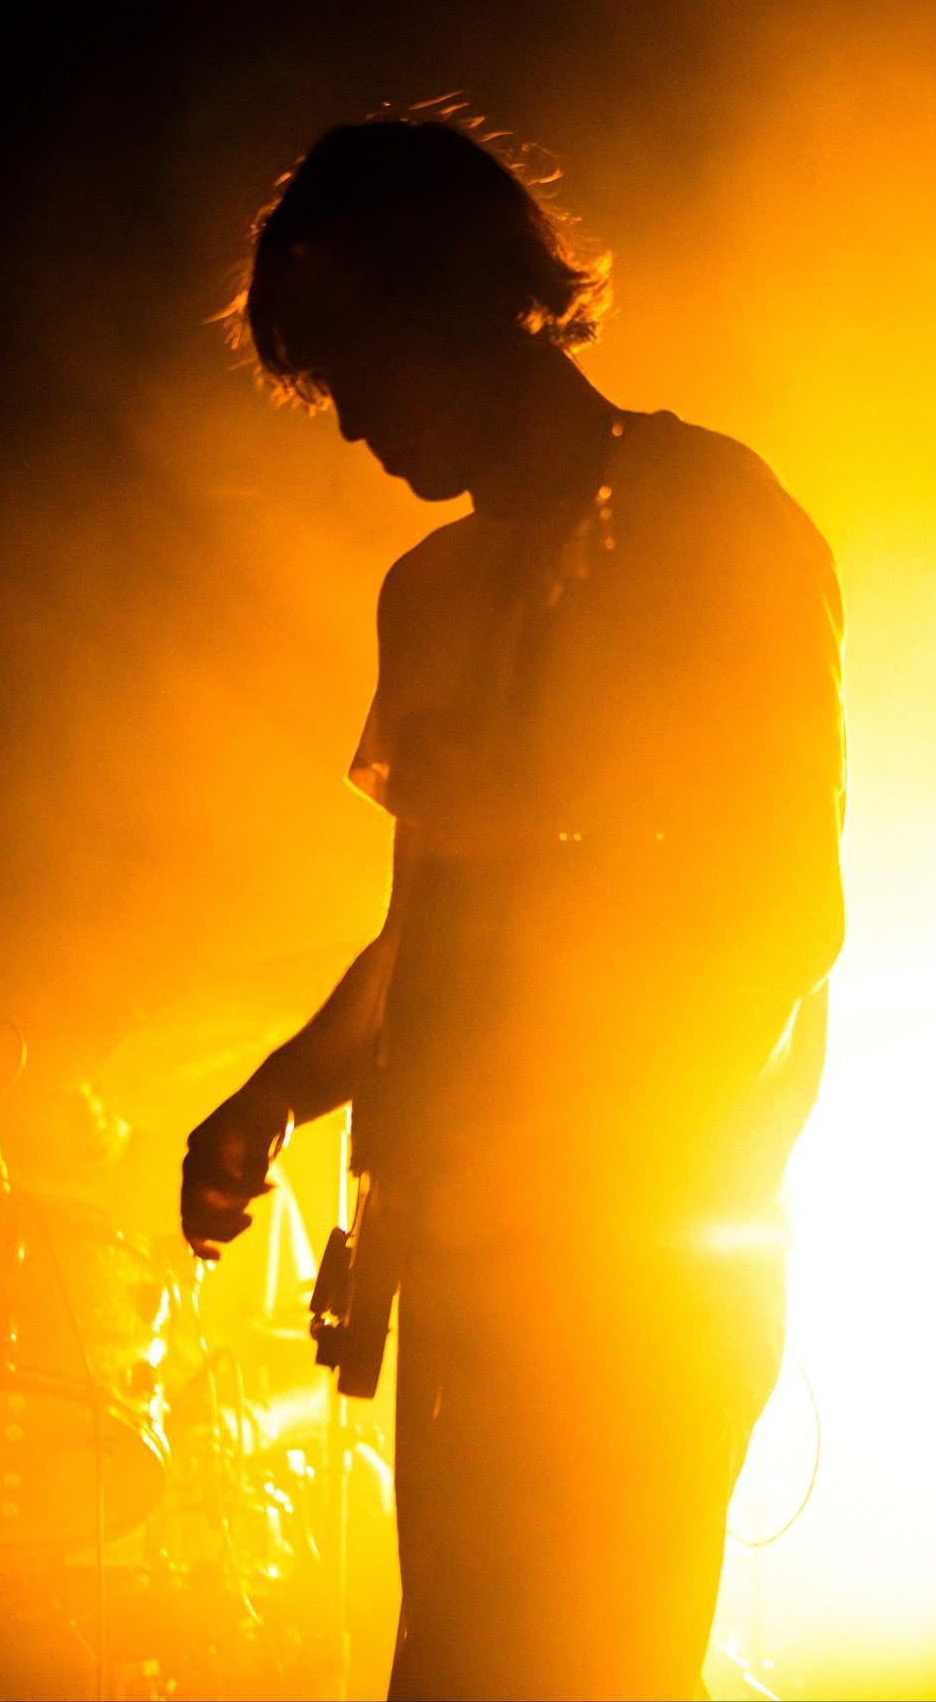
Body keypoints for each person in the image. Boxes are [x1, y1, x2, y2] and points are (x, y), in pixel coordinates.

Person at [180, 110, 845, 1701]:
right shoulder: (428, 590)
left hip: (636, 1271)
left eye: (356, 362)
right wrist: (282, 1089)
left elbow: (786, 911)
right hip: (471, 1273)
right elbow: (428, 929)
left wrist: (544, 845)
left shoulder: (712, 516)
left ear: (464, 298)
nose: (349, 422)